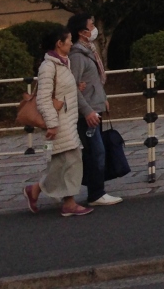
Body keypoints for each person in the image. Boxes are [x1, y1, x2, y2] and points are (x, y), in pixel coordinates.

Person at [23, 26, 92, 217]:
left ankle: (40, 192)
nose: (71, 42)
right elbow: (44, 99)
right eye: (69, 39)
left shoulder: (64, 62)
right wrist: (52, 124)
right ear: (59, 43)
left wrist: (74, 86)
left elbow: (60, 89)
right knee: (70, 160)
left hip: (66, 120)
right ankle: (59, 199)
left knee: (63, 162)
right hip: (59, 122)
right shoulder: (48, 66)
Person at [67, 14, 122, 207]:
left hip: (95, 108)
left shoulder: (89, 51)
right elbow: (72, 86)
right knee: (95, 151)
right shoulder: (77, 56)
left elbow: (94, 80)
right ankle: (96, 192)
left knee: (96, 151)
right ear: (82, 32)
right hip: (88, 112)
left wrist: (103, 99)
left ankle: (95, 191)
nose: (94, 28)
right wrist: (88, 110)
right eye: (91, 26)